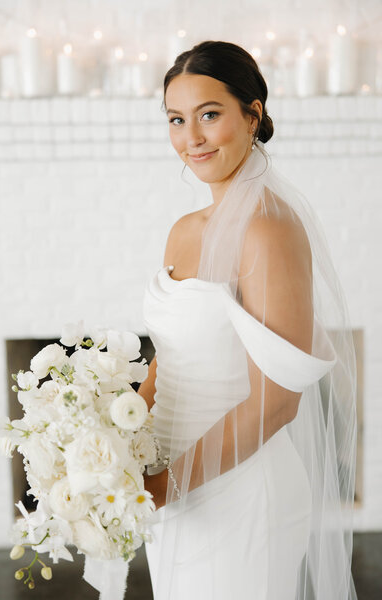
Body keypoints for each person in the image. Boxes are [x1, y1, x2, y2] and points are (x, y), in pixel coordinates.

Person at [137, 40, 358, 600]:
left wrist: (167, 484)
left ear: (252, 114)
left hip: (237, 484)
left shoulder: (268, 229)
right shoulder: (184, 229)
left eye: (209, 115)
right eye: (176, 120)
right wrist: (122, 433)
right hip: (171, 483)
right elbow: (174, 350)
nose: (192, 138)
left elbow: (280, 399)